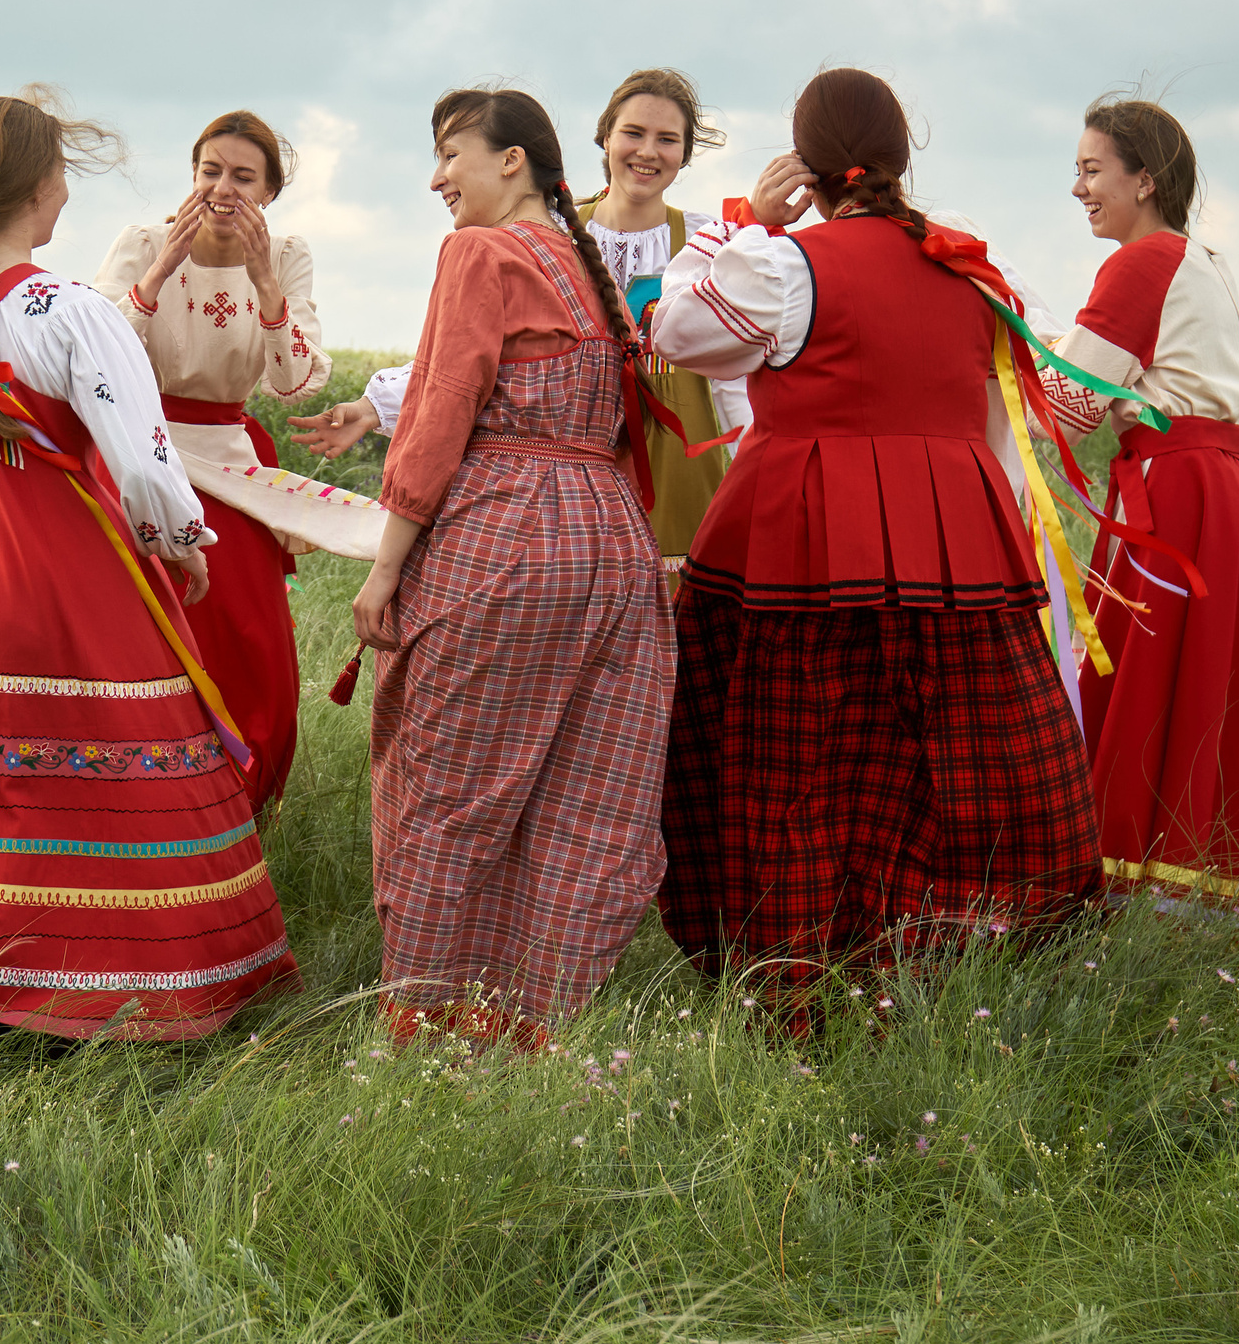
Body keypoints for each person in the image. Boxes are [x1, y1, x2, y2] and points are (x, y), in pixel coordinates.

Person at [650, 68, 1100, 1021]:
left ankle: (795, 967)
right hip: (955, 538)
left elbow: (677, 332)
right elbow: (1010, 416)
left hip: (800, 538)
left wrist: (748, 226)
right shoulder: (973, 268)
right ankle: (933, 960)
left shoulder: (785, 262)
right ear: (902, 156)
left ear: (805, 168)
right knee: (943, 759)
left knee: (800, 759)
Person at [0, 88, 297, 1040]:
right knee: (122, 777)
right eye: (58, 175)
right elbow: (144, 461)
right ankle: (87, 987)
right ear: (41, 191)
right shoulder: (70, 311)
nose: (64, 194)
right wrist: (186, 546)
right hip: (48, 588)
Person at [352, 86, 672, 1047]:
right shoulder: (585, 262)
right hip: (614, 547)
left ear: (515, 161)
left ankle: (427, 1020)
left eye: (455, 152)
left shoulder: (479, 251)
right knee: (585, 793)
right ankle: (535, 1020)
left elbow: (442, 409)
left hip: (510, 534)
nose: (438, 176)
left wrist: (384, 570)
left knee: (447, 782)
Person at [1038, 96, 1239, 923]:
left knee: (1159, 688)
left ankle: (1145, 901)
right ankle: (1229, 893)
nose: (1079, 188)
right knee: (1227, 693)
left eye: (1092, 170)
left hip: (1177, 499)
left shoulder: (1141, 263)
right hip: (1229, 495)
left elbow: (1065, 406)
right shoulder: (1201, 260)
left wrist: (988, 358)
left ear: (1147, 178)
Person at [290, 68, 752, 576]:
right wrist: (372, 406)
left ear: (684, 155)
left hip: (682, 473)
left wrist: (753, 474)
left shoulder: (710, 240)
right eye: (634, 133)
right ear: (605, 137)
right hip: (586, 489)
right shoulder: (554, 235)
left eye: (668, 140)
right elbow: (483, 358)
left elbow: (734, 379)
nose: (648, 151)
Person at [95, 111, 384, 813]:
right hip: (142, 452)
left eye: (243, 177)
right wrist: (164, 265)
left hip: (231, 459)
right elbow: (100, 354)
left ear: (269, 192)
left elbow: (295, 382)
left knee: (251, 640)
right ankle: (144, 801)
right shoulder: (141, 243)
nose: (223, 189)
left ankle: (241, 802)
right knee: (142, 633)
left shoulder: (285, 256)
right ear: (192, 177)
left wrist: (263, 281)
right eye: (210, 172)